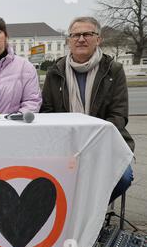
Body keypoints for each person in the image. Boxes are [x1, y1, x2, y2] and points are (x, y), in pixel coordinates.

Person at [41, 16, 134, 203]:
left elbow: (118, 115)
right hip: (65, 146)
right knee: (44, 177)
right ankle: (74, 214)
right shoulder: (55, 72)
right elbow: (46, 114)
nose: (81, 39)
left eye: (87, 34)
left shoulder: (113, 70)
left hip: (105, 145)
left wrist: (91, 141)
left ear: (98, 39)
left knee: (123, 178)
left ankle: (92, 213)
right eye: (75, 35)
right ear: (69, 41)